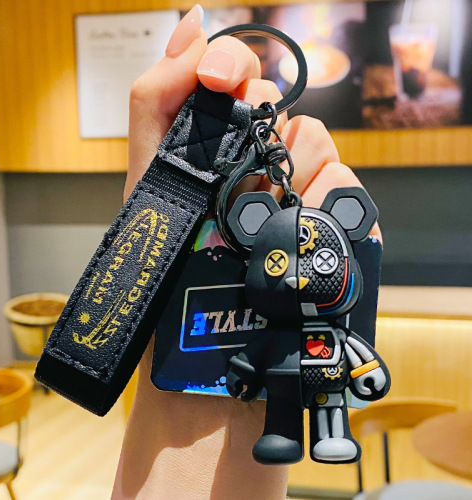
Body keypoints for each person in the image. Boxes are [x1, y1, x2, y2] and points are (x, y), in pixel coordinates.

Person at [111, 5, 381, 499]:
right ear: (249, 225)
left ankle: (327, 435)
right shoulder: (276, 331)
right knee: (281, 417)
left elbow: (360, 358)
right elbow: (254, 361)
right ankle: (278, 433)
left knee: (324, 409)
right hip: (278, 383)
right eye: (277, 262)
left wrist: (367, 372)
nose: (298, 276)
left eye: (321, 262)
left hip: (315, 381)